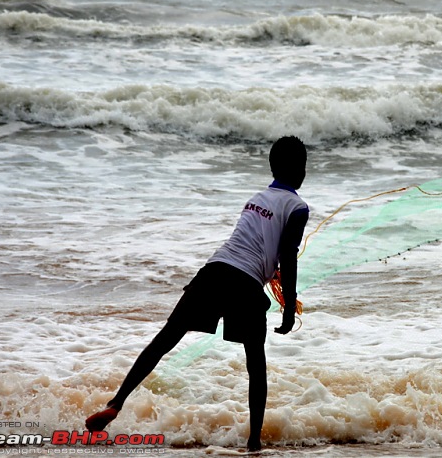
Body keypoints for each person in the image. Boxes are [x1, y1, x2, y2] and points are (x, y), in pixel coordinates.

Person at [85, 136, 309, 452]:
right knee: (255, 364)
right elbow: (287, 254)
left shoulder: (255, 198)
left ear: (272, 166)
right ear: (301, 170)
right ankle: (254, 442)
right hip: (246, 284)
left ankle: (116, 402)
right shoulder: (297, 207)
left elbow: (254, 241)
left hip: (214, 270)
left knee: (165, 339)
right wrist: (287, 307)